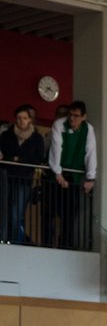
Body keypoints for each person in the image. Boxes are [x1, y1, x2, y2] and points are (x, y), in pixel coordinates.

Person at [47, 100, 97, 250]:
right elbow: (56, 148)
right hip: (56, 174)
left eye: (76, 116)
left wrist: (91, 177)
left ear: (84, 117)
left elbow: (90, 152)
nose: (72, 119)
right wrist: (57, 172)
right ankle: (48, 243)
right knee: (50, 211)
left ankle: (65, 243)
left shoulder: (88, 129)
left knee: (70, 212)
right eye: (70, 115)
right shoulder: (59, 124)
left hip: (74, 176)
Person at [0, 104, 45, 244]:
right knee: (4, 210)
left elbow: (38, 158)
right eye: (19, 118)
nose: (21, 121)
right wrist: (13, 159)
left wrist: (18, 159)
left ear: (30, 120)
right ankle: (4, 238)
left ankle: (13, 241)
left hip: (24, 180)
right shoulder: (6, 135)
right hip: (6, 177)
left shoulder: (37, 138)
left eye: (24, 118)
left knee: (16, 213)